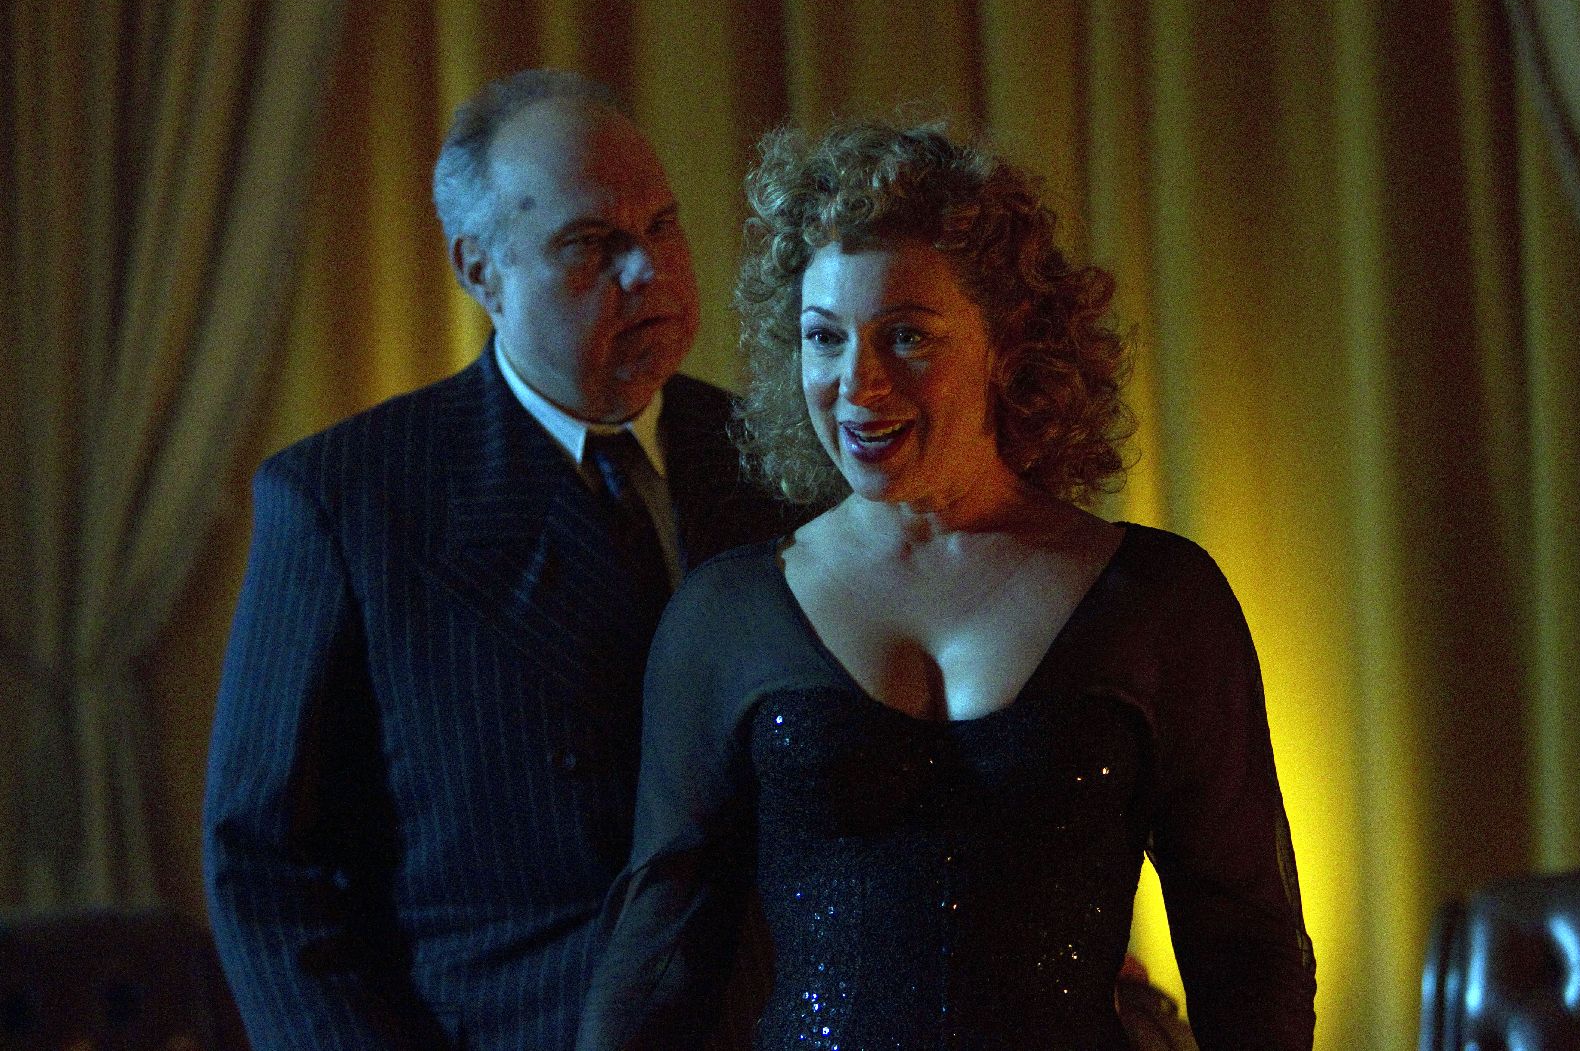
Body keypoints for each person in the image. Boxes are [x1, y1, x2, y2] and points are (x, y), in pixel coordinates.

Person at [578, 121, 1316, 1050]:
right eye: (824, 338)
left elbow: (1248, 949)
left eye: (907, 337)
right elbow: (654, 968)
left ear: (1008, 341)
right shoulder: (726, 616)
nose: (859, 384)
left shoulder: (1160, 599)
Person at [203, 70, 796, 1050]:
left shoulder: (779, 460)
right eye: (591, 244)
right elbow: (265, 865)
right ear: (479, 270)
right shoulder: (350, 499)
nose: (646, 271)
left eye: (662, 227)